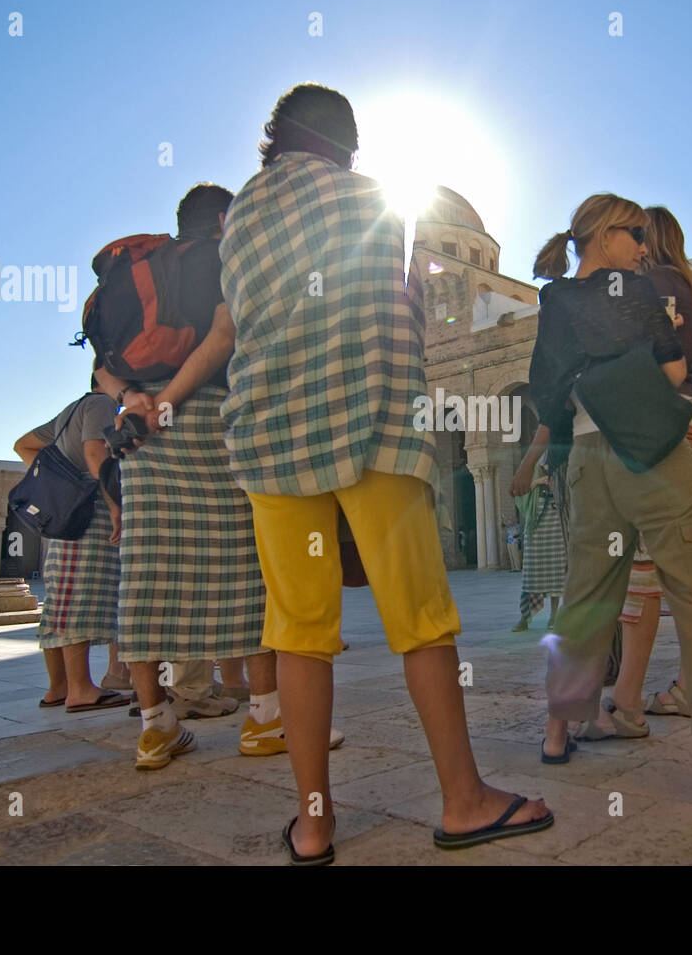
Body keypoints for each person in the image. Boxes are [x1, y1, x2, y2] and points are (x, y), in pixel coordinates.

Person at [220, 83, 553, 864]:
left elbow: (234, 321)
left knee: (299, 635)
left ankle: (313, 823)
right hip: (372, 424)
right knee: (421, 618)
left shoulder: (239, 219)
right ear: (345, 146)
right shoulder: (372, 201)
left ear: (277, 139)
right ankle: (465, 800)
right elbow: (402, 309)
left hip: (272, 440)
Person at [531, 192, 692, 816]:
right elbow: (677, 372)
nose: (642, 247)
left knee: (585, 599)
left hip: (590, 463)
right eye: (632, 235)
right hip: (652, 454)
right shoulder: (639, 290)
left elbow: (545, 392)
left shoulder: (555, 298)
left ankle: (556, 733)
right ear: (602, 235)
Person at [94, 183, 315, 769]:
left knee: (144, 574)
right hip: (209, 426)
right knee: (247, 565)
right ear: (224, 219)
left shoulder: (141, 273)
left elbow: (100, 372)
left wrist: (137, 401)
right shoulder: (223, 261)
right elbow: (224, 337)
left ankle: (156, 727)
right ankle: (265, 719)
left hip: (140, 442)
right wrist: (166, 403)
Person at [602, 204, 692, 725]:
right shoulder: (677, 283)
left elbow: (664, 368)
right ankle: (656, 692)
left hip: (659, 434)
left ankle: (639, 698)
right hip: (677, 430)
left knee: (651, 573)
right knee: (665, 572)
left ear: (646, 239)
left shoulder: (657, 282)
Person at [14, 379, 129, 713]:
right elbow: (96, 452)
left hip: (64, 515)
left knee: (60, 599)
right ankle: (81, 689)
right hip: (87, 514)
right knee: (81, 596)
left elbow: (24, 446)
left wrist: (57, 485)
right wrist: (113, 503)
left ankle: (58, 687)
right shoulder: (101, 404)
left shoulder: (71, 411)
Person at [511, 460, 566, 631]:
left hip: (556, 525)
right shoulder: (532, 469)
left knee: (556, 575)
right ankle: (524, 618)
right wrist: (537, 482)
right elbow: (518, 493)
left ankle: (554, 617)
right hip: (535, 527)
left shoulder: (561, 468)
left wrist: (556, 487)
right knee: (531, 576)